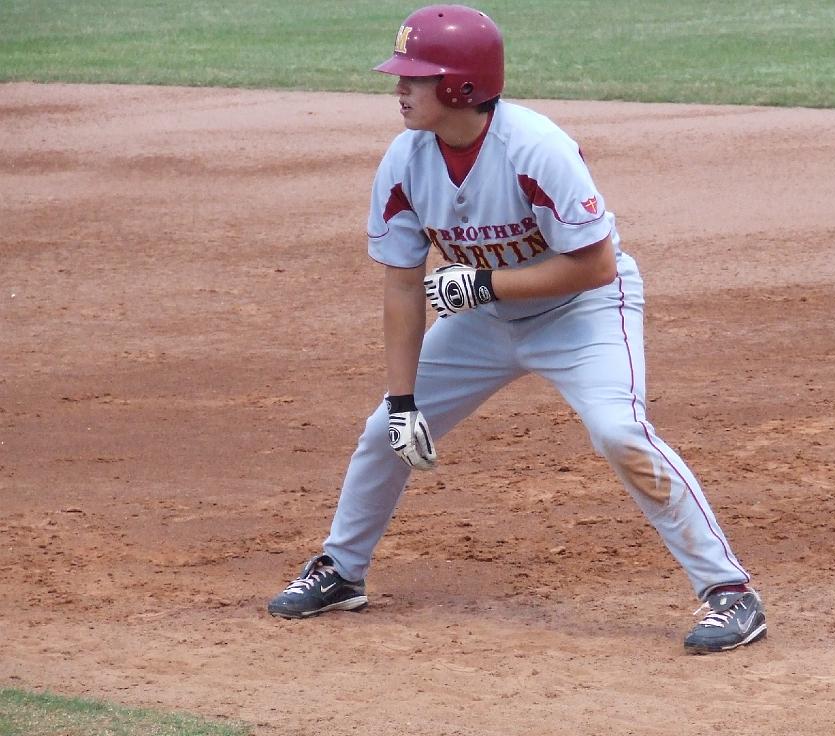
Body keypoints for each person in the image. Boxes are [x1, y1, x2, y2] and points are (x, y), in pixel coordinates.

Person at [268, 4, 767, 654]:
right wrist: (402, 402)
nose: (398, 88)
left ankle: (731, 594)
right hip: (486, 320)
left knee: (620, 431)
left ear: (461, 87)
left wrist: (483, 283)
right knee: (381, 435)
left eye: (414, 79)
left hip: (584, 312)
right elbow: (400, 284)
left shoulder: (535, 148)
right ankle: (342, 570)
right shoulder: (404, 163)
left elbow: (596, 265)